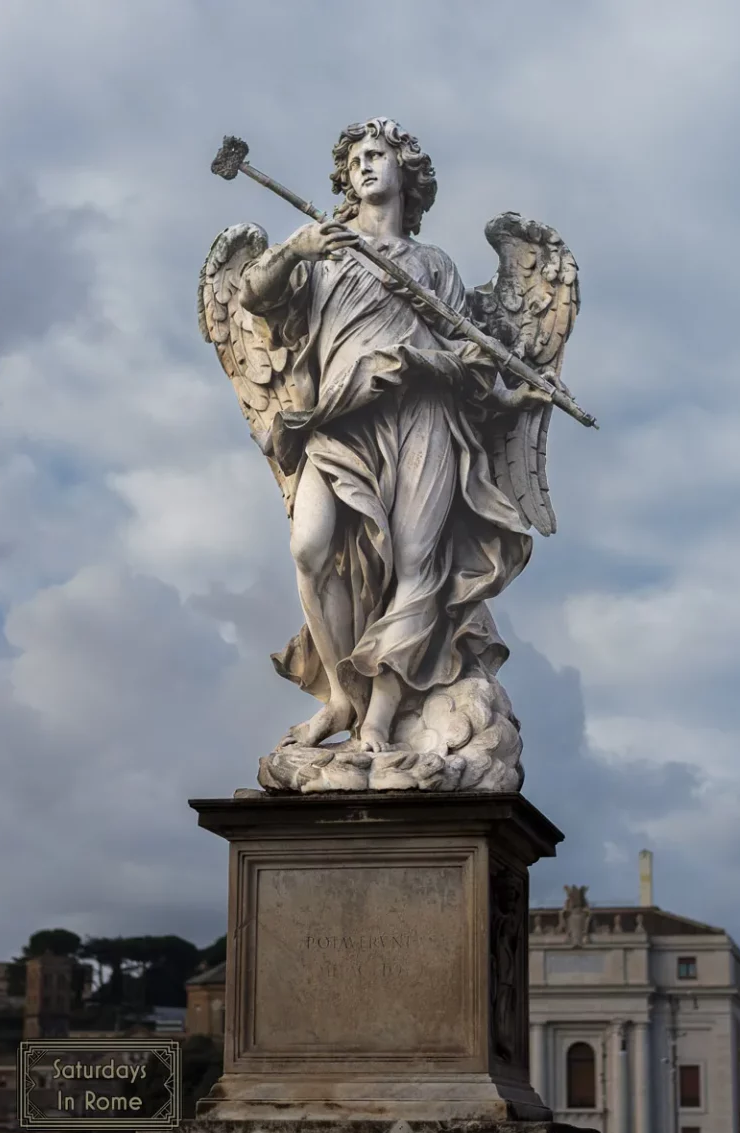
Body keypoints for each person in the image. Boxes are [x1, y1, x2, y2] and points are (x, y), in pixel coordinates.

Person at [240, 118, 543, 752]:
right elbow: (255, 298)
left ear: (406, 170)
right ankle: (340, 699)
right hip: (339, 418)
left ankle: (378, 713)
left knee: (415, 564)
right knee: (311, 550)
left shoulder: (434, 265)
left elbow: (474, 360)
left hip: (423, 420)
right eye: (354, 162)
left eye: (377, 156)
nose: (365, 168)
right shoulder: (323, 248)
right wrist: (294, 252)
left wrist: (423, 365)